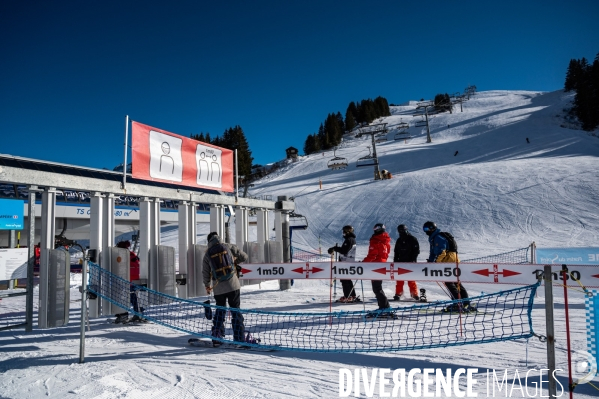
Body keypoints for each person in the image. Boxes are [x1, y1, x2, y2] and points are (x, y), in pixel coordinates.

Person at [202, 232, 251, 347]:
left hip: (218, 288)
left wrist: (207, 285)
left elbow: (205, 272)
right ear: (219, 237)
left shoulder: (207, 254)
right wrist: (234, 262)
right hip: (233, 285)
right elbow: (244, 256)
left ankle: (217, 336)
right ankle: (239, 338)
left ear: (209, 241)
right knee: (235, 311)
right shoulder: (228, 246)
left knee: (220, 311)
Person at [423, 221, 473, 312]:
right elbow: (433, 253)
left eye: (426, 229)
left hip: (448, 261)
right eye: (424, 229)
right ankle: (466, 303)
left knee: (450, 283)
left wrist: (435, 263)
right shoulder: (435, 237)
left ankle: (457, 304)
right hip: (453, 260)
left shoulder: (437, 237)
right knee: (456, 283)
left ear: (432, 228)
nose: (425, 231)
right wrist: (430, 261)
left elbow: (441, 252)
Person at [363, 223, 392, 312]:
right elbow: (386, 254)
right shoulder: (385, 240)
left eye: (375, 228)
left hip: (376, 266)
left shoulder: (376, 240)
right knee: (378, 287)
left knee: (377, 288)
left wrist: (364, 263)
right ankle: (383, 307)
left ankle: (385, 308)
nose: (374, 230)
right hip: (382, 265)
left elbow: (372, 255)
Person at [116, 240, 145, 322]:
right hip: (136, 279)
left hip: (129, 280)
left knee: (127, 297)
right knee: (134, 297)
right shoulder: (132, 255)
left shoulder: (123, 256)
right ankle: (139, 313)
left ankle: (124, 314)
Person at [328, 225, 357, 302]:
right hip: (348, 261)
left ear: (347, 231)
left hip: (345, 262)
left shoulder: (349, 240)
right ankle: (352, 295)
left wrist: (335, 248)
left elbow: (344, 251)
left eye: (344, 231)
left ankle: (347, 296)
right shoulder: (351, 239)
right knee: (347, 279)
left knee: (344, 279)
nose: (343, 233)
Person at [393, 224, 420, 301]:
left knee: (411, 279)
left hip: (410, 262)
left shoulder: (412, 239)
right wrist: (395, 261)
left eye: (403, 230)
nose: (402, 231)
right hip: (400, 262)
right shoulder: (399, 240)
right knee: (399, 279)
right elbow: (396, 251)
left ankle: (414, 294)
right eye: (400, 230)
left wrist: (413, 259)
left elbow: (416, 251)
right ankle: (398, 293)